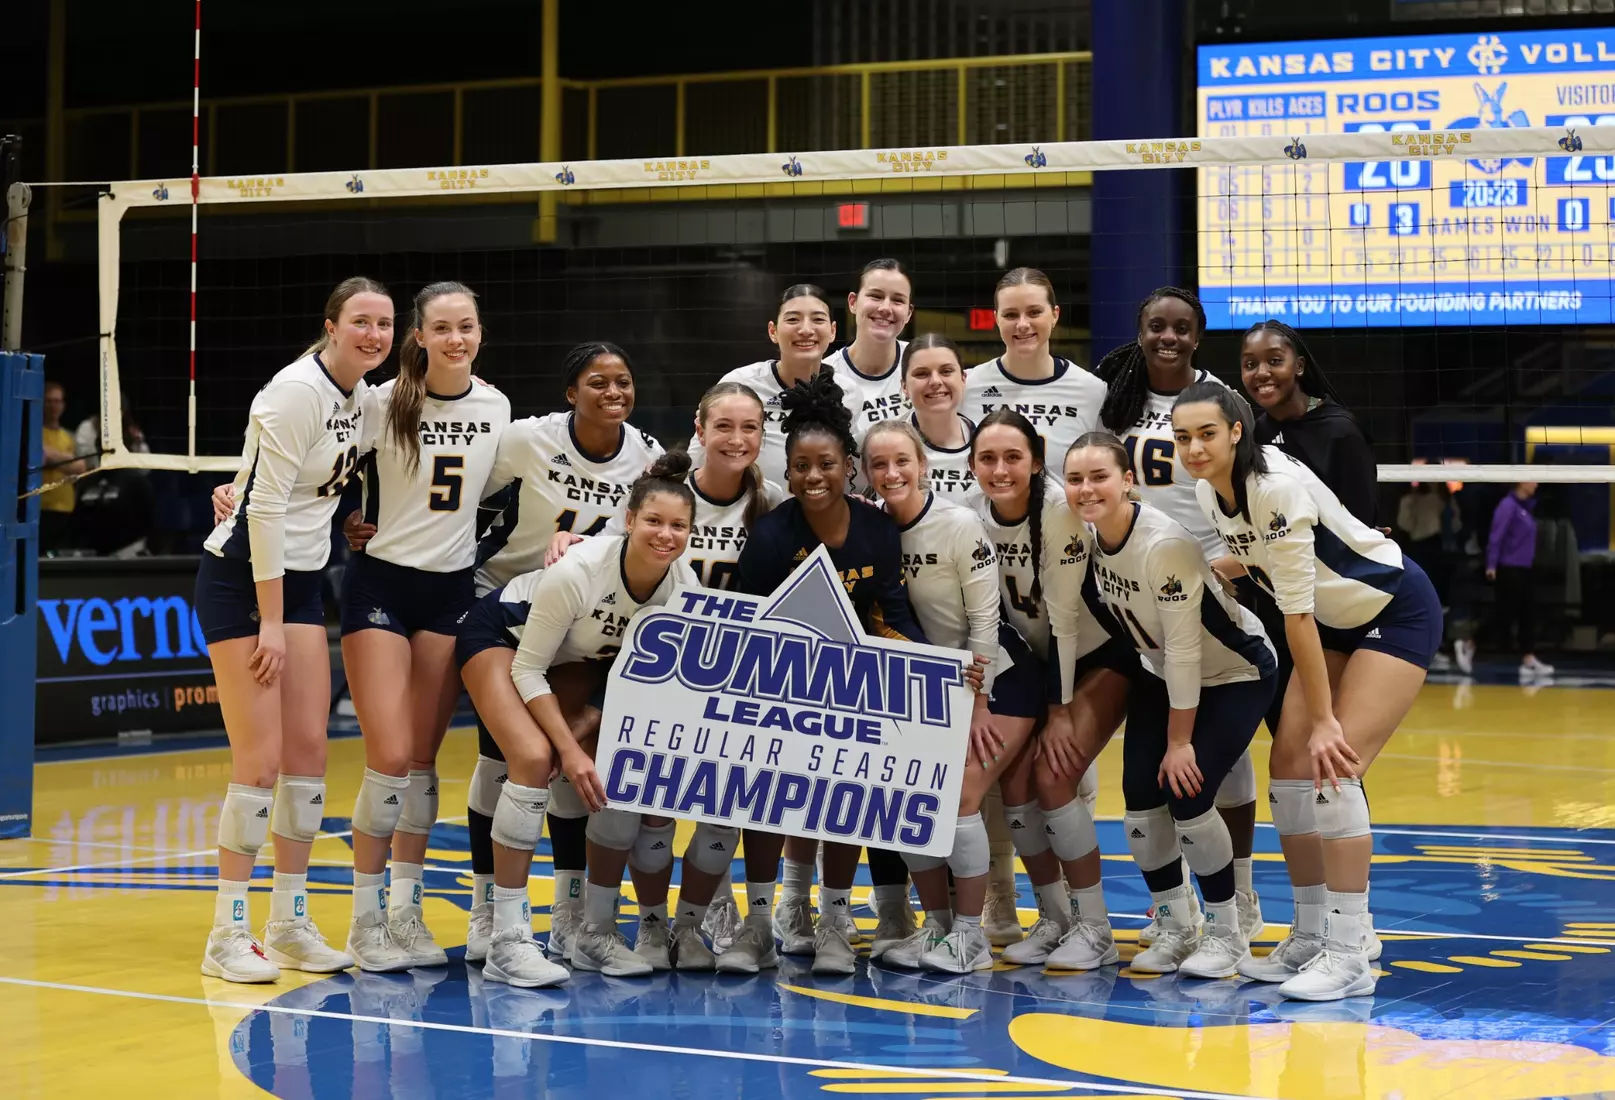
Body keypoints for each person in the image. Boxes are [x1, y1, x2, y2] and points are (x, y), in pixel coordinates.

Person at [1174, 382, 1441, 1000]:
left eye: (1206, 434)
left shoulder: (1274, 490)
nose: (1193, 448)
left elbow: (1296, 617)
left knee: (1333, 768)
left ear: (1237, 432)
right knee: (1289, 770)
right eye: (1183, 437)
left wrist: (1325, 720)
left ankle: (1352, 951)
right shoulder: (1210, 489)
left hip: (1392, 609)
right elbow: (1252, 559)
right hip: (1335, 620)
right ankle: (1313, 932)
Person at [545, 380, 787, 967]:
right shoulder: (667, 493)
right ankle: (642, 928)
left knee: (725, 805)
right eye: (722, 426)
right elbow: (617, 544)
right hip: (656, 674)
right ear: (700, 430)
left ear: (762, 437)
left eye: (749, 427)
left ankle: (689, 928)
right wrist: (570, 540)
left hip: (733, 677)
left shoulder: (773, 503)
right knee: (642, 804)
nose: (735, 438)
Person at [194, 276, 392, 982]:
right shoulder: (293, 392)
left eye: (384, 325)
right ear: (331, 326)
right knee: (260, 760)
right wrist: (270, 622)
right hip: (243, 580)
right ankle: (226, 933)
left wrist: (348, 520)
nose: (374, 335)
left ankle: (289, 923)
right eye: (361, 322)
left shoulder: (363, 401)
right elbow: (265, 510)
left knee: (310, 755)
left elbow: (328, 480)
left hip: (301, 578)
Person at [728, 371, 932, 976]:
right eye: (799, 467)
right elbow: (748, 623)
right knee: (769, 800)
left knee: (846, 797)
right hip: (781, 687)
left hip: (853, 686)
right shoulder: (769, 535)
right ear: (786, 472)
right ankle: (760, 922)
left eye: (825, 464)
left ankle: (836, 922)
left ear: (849, 467)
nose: (812, 477)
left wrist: (931, 670)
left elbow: (892, 611)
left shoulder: (876, 529)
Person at [466, 341, 665, 963]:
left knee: (567, 767)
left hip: (584, 626)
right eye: (597, 382)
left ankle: (568, 918)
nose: (613, 393)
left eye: (624, 381)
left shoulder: (648, 458)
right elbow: (455, 484)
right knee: (508, 760)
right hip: (512, 606)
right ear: (569, 393)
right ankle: (491, 917)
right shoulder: (527, 439)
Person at [335, 282, 510, 969]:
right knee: (387, 756)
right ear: (420, 336)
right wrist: (342, 515)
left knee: (420, 761)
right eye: (442, 328)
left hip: (449, 593)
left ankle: (405, 914)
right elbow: (321, 465)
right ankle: (364, 920)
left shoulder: (496, 407)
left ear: (479, 332)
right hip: (380, 584)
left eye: (465, 326)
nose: (455, 339)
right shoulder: (382, 403)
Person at [1065, 431, 1277, 977]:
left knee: (1188, 790)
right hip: (1162, 670)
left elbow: (1185, 649)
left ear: (1128, 482)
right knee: (1138, 793)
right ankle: (1176, 925)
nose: (1087, 489)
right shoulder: (1084, 539)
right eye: (1076, 478)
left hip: (1235, 670)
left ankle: (1228, 932)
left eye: (1100, 476)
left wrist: (1179, 742)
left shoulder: (1163, 544)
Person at [1094, 287, 1262, 950]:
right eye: (1155, 326)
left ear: (1197, 336)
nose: (1167, 337)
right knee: (1153, 766)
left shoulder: (1224, 401)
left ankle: (1238, 896)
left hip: (1214, 584)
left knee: (1222, 758)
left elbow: (1248, 494)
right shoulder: (1116, 396)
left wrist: (1224, 572)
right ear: (1139, 331)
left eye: (1180, 328)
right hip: (1136, 596)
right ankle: (1177, 911)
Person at [508, 456, 699, 977]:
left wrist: (593, 719)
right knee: (533, 764)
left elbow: (661, 679)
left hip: (594, 672)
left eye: (679, 525)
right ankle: (508, 928)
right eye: (654, 521)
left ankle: (613, 926)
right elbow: (527, 668)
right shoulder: (577, 573)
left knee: (640, 782)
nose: (666, 534)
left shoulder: (684, 589)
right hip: (511, 646)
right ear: (630, 520)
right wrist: (570, 746)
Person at [860, 419, 1034, 973]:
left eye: (902, 462)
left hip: (999, 680)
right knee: (904, 801)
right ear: (865, 473)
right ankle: (936, 929)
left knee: (957, 796)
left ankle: (971, 936)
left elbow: (985, 619)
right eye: (880, 464)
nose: (892, 473)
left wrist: (977, 704)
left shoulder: (957, 524)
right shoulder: (867, 531)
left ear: (924, 465)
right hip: (926, 691)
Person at [965, 410, 1129, 967]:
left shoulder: (1059, 511)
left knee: (1052, 775)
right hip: (1036, 665)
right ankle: (1056, 916)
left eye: (1013, 457)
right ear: (971, 465)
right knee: (1013, 778)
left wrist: (1059, 713)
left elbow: (1063, 624)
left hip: (1099, 658)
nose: (1000, 469)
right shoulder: (971, 514)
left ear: (1037, 463)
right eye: (987, 458)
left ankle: (1096, 926)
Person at [688, 285, 837, 483]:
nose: (806, 330)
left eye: (818, 319)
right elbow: (698, 454)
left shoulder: (847, 392)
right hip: (753, 508)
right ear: (773, 331)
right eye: (792, 319)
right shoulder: (740, 383)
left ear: (833, 331)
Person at [1241, 321, 1378, 528]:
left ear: (1299, 366)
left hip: (1337, 557)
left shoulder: (1340, 431)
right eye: (1250, 365)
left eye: (1275, 361)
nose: (1261, 373)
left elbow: (1362, 520)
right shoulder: (1259, 431)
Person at [963, 267, 1107, 463]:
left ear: (1055, 315)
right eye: (1011, 315)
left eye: (1034, 312)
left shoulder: (1092, 390)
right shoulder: (967, 386)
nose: (1022, 324)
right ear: (996, 318)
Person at [828, 258, 914, 439]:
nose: (885, 308)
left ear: (908, 313)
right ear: (853, 302)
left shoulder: (924, 362)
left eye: (898, 300)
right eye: (875, 296)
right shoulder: (826, 376)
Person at [1486, 482, 1553, 680]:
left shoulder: (1526, 508)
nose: (1536, 484)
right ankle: (1469, 641)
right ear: (1521, 481)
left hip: (1525, 568)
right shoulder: (1507, 505)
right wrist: (1491, 564)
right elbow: (1496, 535)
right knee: (1505, 612)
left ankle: (1529, 659)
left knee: (1527, 613)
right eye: (1532, 479)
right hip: (1509, 567)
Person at [901, 334, 976, 498]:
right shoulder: (882, 443)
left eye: (946, 371)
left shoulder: (990, 442)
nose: (935, 381)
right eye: (922, 374)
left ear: (963, 379)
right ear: (904, 386)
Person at [39, 380, 86, 552]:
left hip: (65, 508)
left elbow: (81, 467)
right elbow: (39, 456)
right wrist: (68, 460)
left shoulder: (69, 436)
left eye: (57, 401)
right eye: (49, 401)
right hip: (40, 507)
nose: (53, 405)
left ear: (63, 405)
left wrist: (52, 458)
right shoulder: (32, 433)